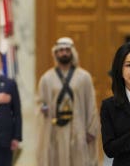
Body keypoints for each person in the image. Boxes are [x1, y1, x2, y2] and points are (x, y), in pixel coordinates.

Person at [36, 37, 99, 166]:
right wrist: (42, 108)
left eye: (67, 50)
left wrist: (91, 130)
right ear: (56, 53)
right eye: (61, 50)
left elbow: (91, 104)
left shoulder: (84, 77)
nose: (64, 53)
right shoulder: (46, 78)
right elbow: (40, 102)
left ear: (72, 53)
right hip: (55, 131)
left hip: (78, 129)